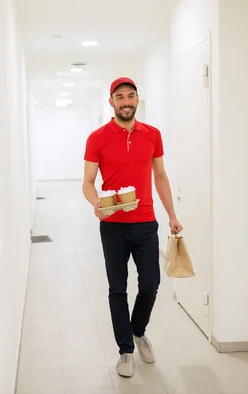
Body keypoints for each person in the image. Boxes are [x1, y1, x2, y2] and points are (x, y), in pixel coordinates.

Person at [82, 77, 183, 378]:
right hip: (113, 225)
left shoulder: (152, 135)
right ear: (111, 102)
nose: (126, 102)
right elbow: (88, 182)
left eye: (131, 96)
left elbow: (160, 176)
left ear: (137, 100)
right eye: (120, 97)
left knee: (151, 284)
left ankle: (138, 331)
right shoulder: (97, 137)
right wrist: (96, 203)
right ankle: (126, 351)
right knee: (117, 289)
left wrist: (172, 215)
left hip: (145, 223)